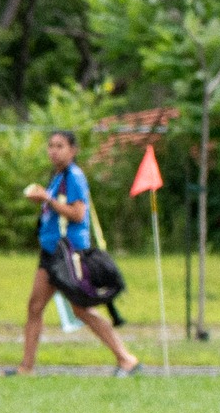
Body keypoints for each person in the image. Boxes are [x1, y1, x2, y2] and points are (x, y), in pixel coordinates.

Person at [16, 130, 138, 376]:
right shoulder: (57, 176)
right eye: (51, 146)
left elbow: (78, 214)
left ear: (73, 150)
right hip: (50, 252)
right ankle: (26, 368)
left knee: (81, 308)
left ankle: (126, 359)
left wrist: (47, 199)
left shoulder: (74, 176)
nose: (54, 151)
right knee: (35, 306)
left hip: (68, 253)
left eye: (60, 146)